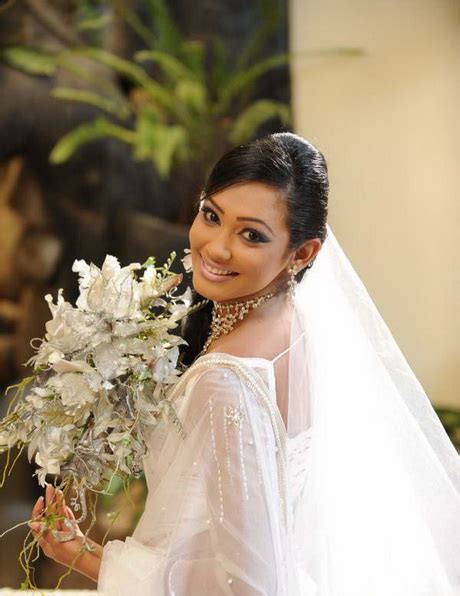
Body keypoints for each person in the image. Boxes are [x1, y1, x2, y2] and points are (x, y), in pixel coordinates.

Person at [30, 133, 460, 595]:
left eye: (251, 235)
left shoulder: (227, 380)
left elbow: (252, 584)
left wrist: (88, 558)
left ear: (303, 253)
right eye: (211, 215)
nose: (216, 248)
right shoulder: (303, 326)